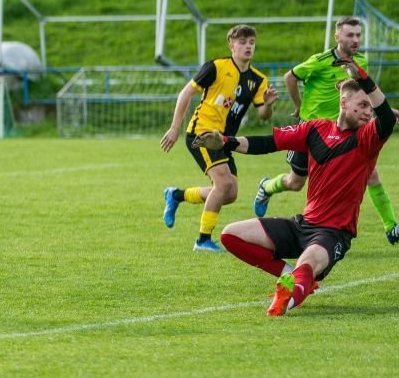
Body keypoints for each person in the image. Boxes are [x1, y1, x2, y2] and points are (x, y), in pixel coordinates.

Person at [192, 58, 395, 316]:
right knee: (230, 235)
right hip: (302, 225)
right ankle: (293, 277)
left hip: (333, 234)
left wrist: (363, 76)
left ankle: (286, 297)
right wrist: (224, 140)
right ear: (343, 103)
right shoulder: (315, 129)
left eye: (370, 106)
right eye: (363, 105)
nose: (369, 111)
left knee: (308, 262)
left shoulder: (367, 139)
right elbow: (268, 143)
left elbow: (387, 118)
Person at [254, 16, 399, 244]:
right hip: (312, 132)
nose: (355, 40)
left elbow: (360, 93)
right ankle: (267, 186)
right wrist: (298, 106)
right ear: (337, 37)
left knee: (371, 173)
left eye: (358, 35)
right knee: (296, 182)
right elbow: (289, 77)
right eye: (350, 35)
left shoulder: (360, 61)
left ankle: (391, 226)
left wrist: (383, 110)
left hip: (343, 131)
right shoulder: (320, 61)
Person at [160, 24, 278, 251]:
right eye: (242, 42)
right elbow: (186, 92)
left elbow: (263, 115)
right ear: (231, 45)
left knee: (230, 193)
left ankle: (176, 195)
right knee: (223, 183)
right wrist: (175, 127)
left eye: (251, 42)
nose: (248, 47)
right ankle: (203, 240)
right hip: (202, 132)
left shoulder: (258, 79)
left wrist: (269, 106)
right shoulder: (216, 66)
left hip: (224, 140)